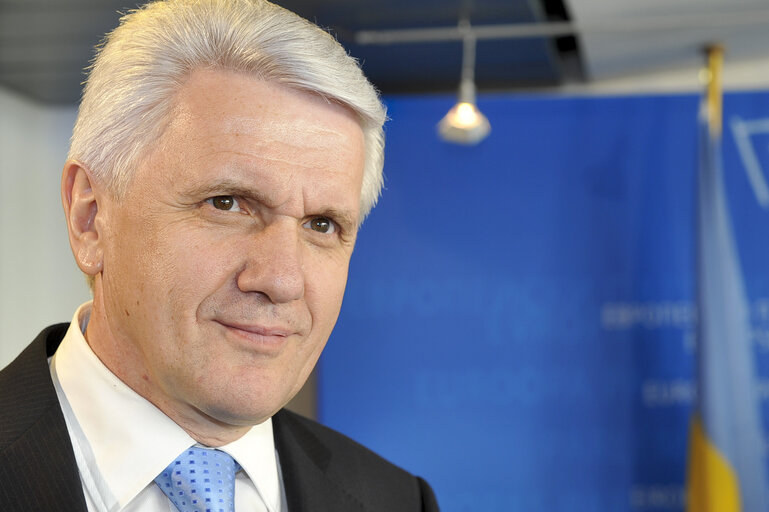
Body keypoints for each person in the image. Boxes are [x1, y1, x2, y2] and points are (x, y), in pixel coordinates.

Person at [0, 1, 439, 510]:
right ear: (91, 217)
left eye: (322, 224)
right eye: (227, 204)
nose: (281, 280)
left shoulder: (396, 500)